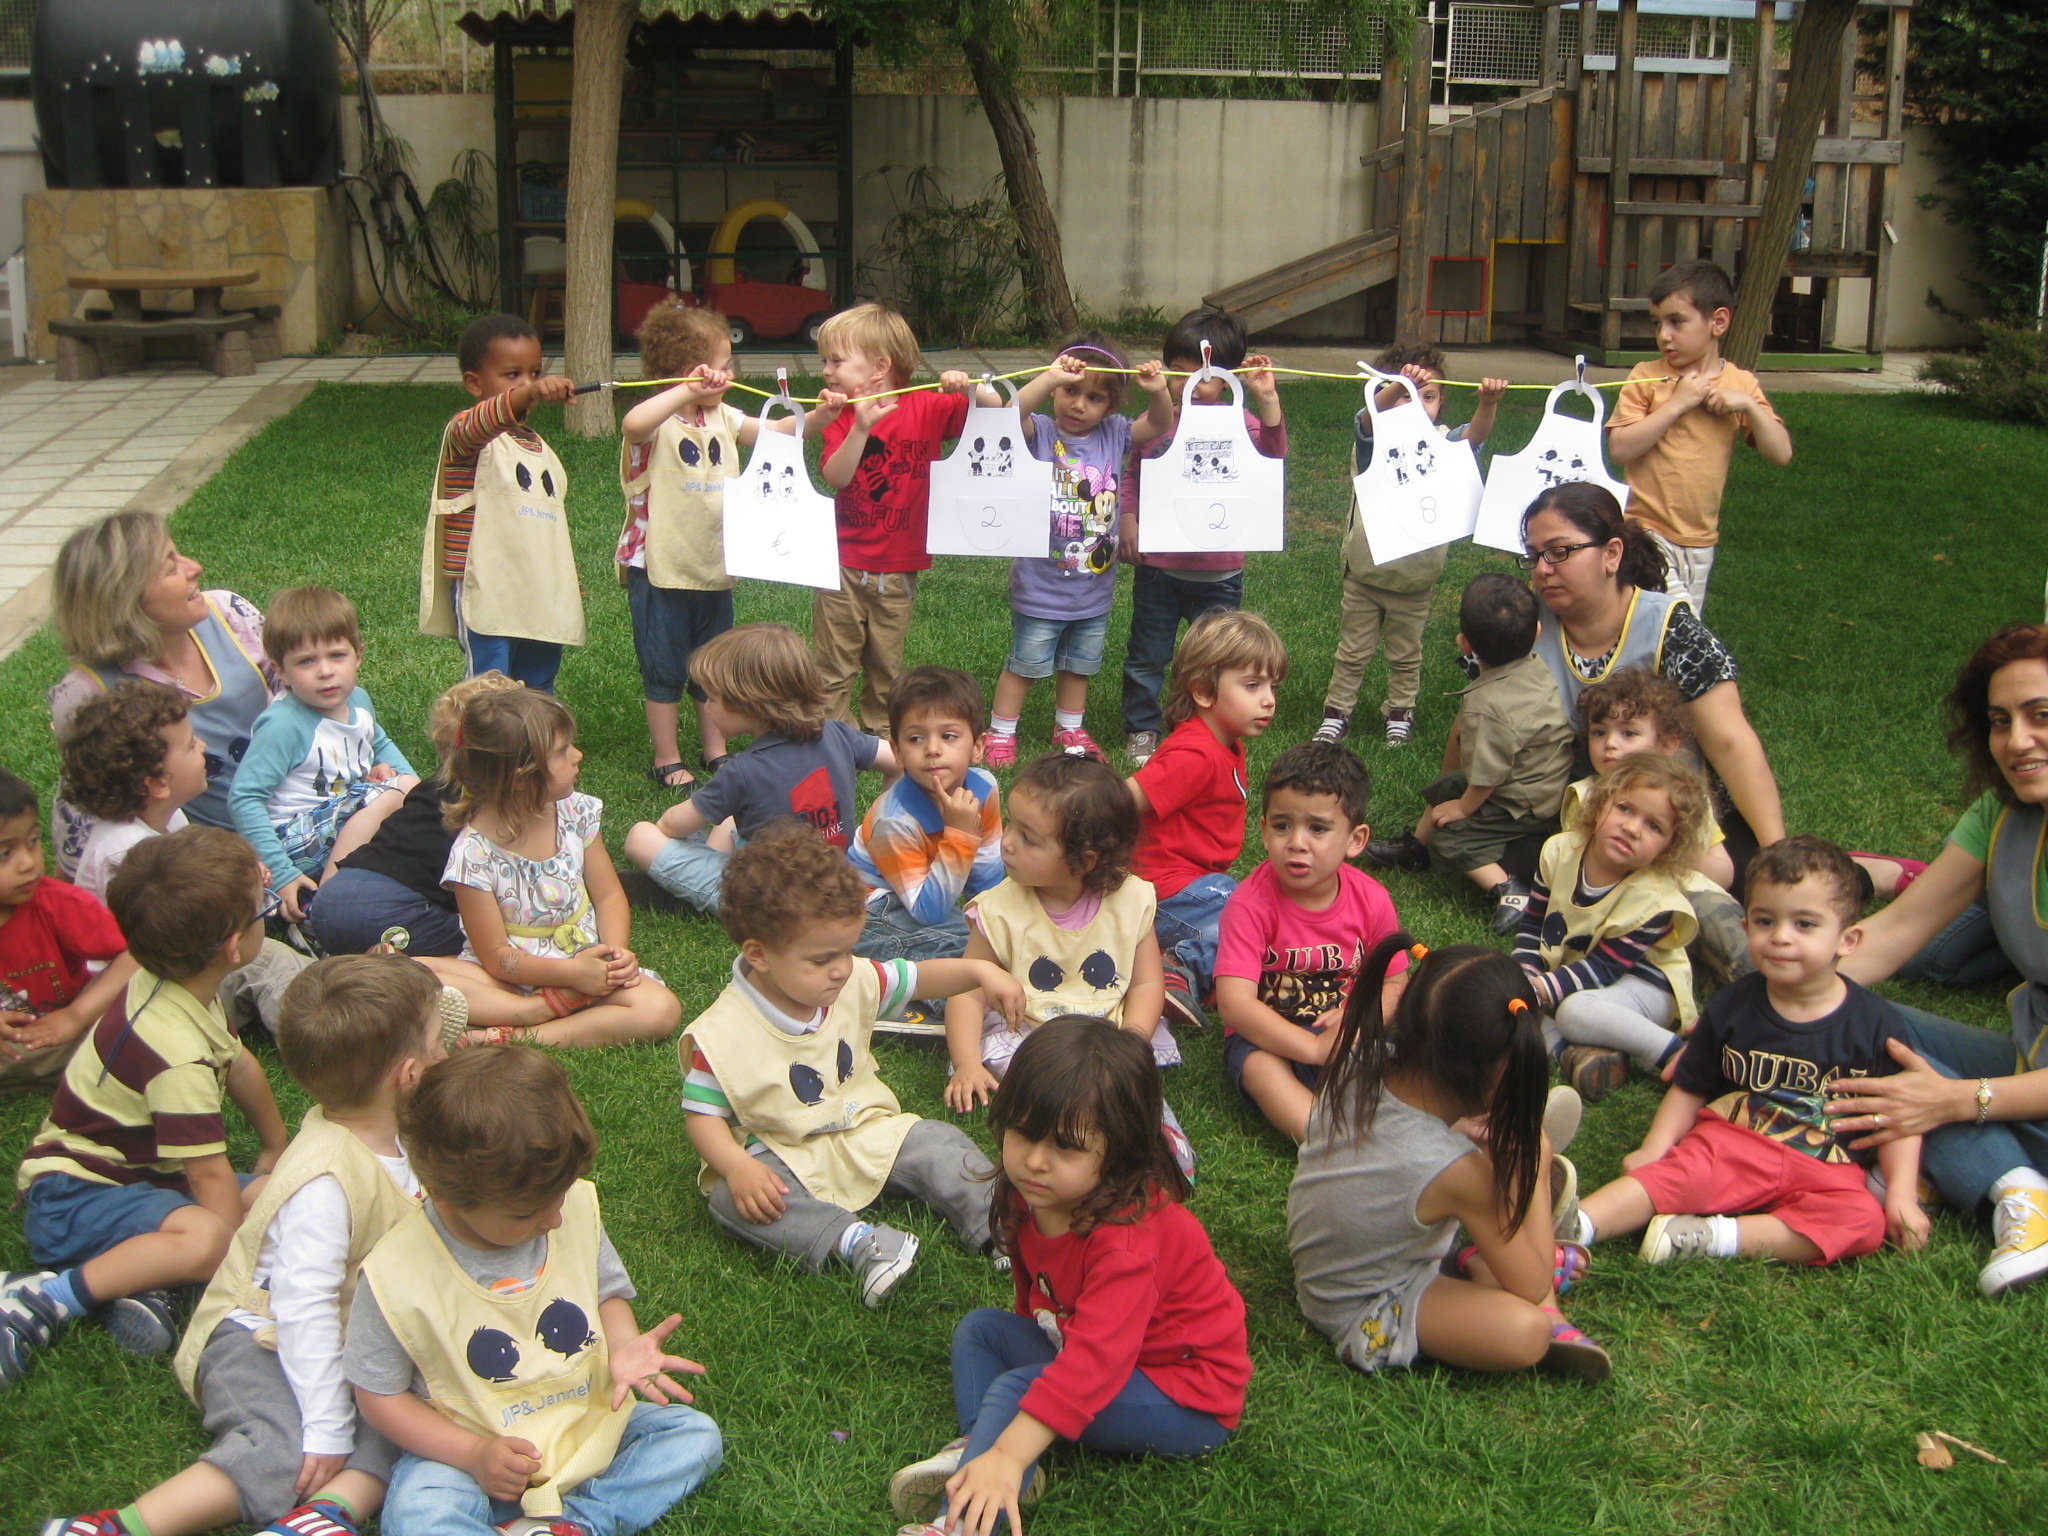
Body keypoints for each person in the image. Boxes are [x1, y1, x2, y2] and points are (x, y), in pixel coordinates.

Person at [39, 956, 450, 1536]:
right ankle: (120, 1527)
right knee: (286, 1447)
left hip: (339, 1333)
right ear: (407, 1074)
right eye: (438, 1043)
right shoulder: (327, 1182)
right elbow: (300, 1304)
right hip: (260, 1334)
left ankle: (325, 1516)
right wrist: (327, 1423)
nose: (447, 1053)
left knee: (414, 1419)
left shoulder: (397, 1128)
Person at [888, 1019, 1251, 1536]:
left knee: (1022, 1387)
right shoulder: (1031, 1193)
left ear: (1120, 1150)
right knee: (981, 1331)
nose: (1035, 1161)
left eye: (1067, 1147)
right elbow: (1034, 1294)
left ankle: (963, 1522)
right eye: (1024, 1133)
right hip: (1102, 1348)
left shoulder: (1128, 1242)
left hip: (1187, 1394)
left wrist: (1016, 1449)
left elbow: (1096, 1364)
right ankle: (979, 1455)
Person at [344, 1047, 723, 1534]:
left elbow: (606, 1292)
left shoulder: (565, 1212)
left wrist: (624, 1347)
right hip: (472, 1451)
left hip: (586, 1420)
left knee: (694, 1436)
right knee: (420, 1511)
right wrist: (473, 1454)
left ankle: (579, 1524)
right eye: (527, 1214)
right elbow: (379, 1396)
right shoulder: (395, 1271)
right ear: (444, 1194)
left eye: (562, 1195)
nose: (555, 1219)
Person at [679, 821, 1026, 1306]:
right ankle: (861, 1242)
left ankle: (1003, 1225)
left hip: (863, 1127)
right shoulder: (720, 1033)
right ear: (758, 954)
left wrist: (977, 970)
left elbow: (921, 978)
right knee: (730, 1201)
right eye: (822, 959)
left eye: (847, 950)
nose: (842, 967)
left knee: (937, 1142)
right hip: (783, 1152)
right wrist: (736, 1167)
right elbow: (703, 1117)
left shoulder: (851, 979)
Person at [3, 828, 288, 1385]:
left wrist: (277, 1148)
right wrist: (224, 1267)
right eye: (264, 910)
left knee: (277, 1193)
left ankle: (149, 1277)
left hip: (145, 1176)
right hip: (74, 1194)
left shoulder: (180, 987)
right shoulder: (174, 1058)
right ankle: (42, 1298)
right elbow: (207, 1177)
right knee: (211, 1236)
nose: (267, 913)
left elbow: (242, 1068)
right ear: (233, 948)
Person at [1568, 837, 1928, 1267]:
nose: (1780, 937)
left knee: (1862, 1221)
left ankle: (1711, 1237)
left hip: (1825, 1165)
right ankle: (1575, 1225)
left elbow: (1899, 1117)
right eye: (1764, 921)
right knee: (1670, 1176)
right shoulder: (1731, 1006)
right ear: (1745, 928)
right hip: (1732, 1145)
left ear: (1847, 940)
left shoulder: (1876, 1024)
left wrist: (1902, 1196)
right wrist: (1655, 1147)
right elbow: (1690, 1085)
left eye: (1805, 924)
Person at [1828, 623, 2048, 1296]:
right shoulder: (2004, 814)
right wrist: (1749, 1006)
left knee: (1913, 1093)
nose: (2017, 741)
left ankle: (2017, 1196)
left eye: (2041, 716)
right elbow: (1895, 933)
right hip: (2032, 1051)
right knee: (1850, 1019)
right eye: (1999, 721)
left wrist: (1956, 1100)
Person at [1288, 938, 1607, 1381]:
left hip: (1325, 1269)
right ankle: (1543, 1303)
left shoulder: (1358, 1061)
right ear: (1498, 1072)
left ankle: (1481, 1254)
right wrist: (1530, 1157)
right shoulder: (1456, 1170)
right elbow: (1530, 1284)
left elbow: (1401, 1146)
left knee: (1481, 1201)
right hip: (1364, 1307)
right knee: (1527, 1329)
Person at [1516, 481, 1786, 863]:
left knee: (1735, 879)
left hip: (1674, 818)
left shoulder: (1671, 631)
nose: (1543, 569)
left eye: (1560, 552)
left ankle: (1871, 872)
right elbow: (1484, 717)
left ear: (1611, 554)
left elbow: (1730, 744)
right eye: (1534, 555)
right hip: (1576, 811)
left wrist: (1776, 853)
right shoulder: (1525, 624)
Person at [617, 301, 826, 790]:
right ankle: (666, 757)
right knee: (664, 666)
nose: (732, 374)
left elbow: (778, 435)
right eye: (725, 364)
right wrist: (685, 390)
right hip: (660, 568)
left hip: (713, 564)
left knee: (711, 666)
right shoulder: (656, 423)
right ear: (694, 371)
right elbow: (633, 424)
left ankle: (716, 747)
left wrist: (819, 414)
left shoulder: (724, 416)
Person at [941, 756, 1183, 1135]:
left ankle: (1159, 1137)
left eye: (1028, 838)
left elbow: (1147, 984)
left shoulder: (1130, 902)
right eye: (1012, 825)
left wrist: (1132, 1040)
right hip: (1027, 1031)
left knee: (1126, 1090)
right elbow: (966, 990)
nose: (1007, 843)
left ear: (1082, 861)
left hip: (1105, 1027)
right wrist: (967, 1062)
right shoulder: (999, 910)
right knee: (1035, 1080)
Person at [435, 688, 681, 1049]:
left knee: (659, 1009)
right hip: (512, 981)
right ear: (521, 777)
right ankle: (537, 1008)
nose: (578, 756)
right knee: (425, 978)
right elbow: (497, 957)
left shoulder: (575, 813)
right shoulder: (473, 855)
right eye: (562, 752)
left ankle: (518, 1036)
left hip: (587, 966)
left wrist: (610, 959)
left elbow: (610, 894)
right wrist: (568, 976)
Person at [47, 510, 279, 878]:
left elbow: (304, 702)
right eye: (170, 568)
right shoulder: (88, 693)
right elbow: (88, 817)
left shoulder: (228, 614)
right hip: (211, 861)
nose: (195, 567)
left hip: (299, 800)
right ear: (124, 600)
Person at [984, 335, 1174, 767]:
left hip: (1093, 589)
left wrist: (1159, 390)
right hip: (1041, 585)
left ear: (1110, 405)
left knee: (1079, 665)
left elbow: (1160, 424)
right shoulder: (1042, 432)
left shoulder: (1116, 433)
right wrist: (1049, 375)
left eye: (1094, 397)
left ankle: (1069, 726)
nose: (1078, 405)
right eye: (1070, 390)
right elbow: (1012, 414)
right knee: (1025, 663)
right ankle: (1000, 731)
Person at [624, 622, 896, 914]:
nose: (706, 708)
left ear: (750, 705)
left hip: (770, 905)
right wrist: (885, 832)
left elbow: (673, 825)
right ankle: (699, 878)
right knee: (730, 821)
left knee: (641, 836)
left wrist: (665, 825)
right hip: (833, 877)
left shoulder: (742, 771)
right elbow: (898, 759)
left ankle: (696, 891)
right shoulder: (836, 734)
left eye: (712, 698)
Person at [810, 302, 993, 731]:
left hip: (900, 567)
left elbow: (994, 406)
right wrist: (858, 427)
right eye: (824, 361)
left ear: (879, 367)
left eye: (836, 360)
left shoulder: (927, 407)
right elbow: (836, 476)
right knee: (834, 665)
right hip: (842, 564)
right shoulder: (840, 416)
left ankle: (879, 732)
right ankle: (838, 733)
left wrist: (967, 388)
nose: (825, 371)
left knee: (886, 667)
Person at [1119, 309, 1289, 766]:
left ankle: (1202, 728)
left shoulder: (1243, 424)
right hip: (1159, 568)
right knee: (1146, 657)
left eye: (1199, 376)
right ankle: (1141, 729)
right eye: (1176, 373)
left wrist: (1267, 397)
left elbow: (1273, 453)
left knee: (1216, 660)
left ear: (1227, 376)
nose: (1184, 384)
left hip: (1220, 573)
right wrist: (1129, 519)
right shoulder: (1158, 421)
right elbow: (1134, 471)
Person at [1316, 343, 1507, 748]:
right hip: (1365, 574)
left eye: (1428, 395)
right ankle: (1337, 712)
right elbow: (1368, 417)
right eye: (1403, 394)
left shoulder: (1443, 443)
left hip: (1415, 580)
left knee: (1406, 655)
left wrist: (1487, 404)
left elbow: (1475, 437)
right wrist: (1394, 387)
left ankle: (1399, 712)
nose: (1416, 402)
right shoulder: (1372, 442)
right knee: (1352, 652)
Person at [1365, 573, 1575, 934]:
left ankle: (1510, 891)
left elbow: (1486, 778)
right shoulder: (1534, 665)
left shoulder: (1487, 708)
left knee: (1452, 834)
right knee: (1444, 791)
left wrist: (1463, 808)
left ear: (1464, 643)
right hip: (1539, 776)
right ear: (1538, 631)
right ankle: (1417, 849)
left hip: (1525, 801)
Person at [1215, 742, 1400, 1144]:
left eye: (1317, 828)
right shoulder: (1248, 906)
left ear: (1356, 839)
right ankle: (1328, 1140)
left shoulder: (1372, 900)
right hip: (1273, 1036)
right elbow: (1235, 1004)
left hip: (1348, 1032)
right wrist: (1310, 1049)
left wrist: (1356, 1018)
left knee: (1413, 1044)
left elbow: (1395, 983)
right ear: (1263, 830)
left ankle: (1438, 1125)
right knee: (1260, 1068)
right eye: (1282, 826)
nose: (1297, 842)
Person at [1515, 752, 1707, 1102]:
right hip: (1579, 973)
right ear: (1600, 804)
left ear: (1669, 846)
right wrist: (1523, 973)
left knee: (1574, 1010)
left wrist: (1540, 990)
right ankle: (1575, 1055)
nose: (1632, 828)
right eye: (1625, 809)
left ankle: (1676, 1054)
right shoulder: (1560, 852)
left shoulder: (1653, 900)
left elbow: (1604, 968)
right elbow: (1533, 924)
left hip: (1644, 984)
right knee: (1509, 997)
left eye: (1654, 826)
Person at [1128, 609, 1287, 1027]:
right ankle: (1172, 969)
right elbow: (1124, 800)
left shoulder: (1224, 743)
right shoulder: (1195, 753)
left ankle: (1222, 974)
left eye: (1272, 685)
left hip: (1197, 887)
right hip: (1164, 890)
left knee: (1267, 914)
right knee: (1242, 919)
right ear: (1203, 691)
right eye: (1252, 685)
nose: (1268, 698)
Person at [1606, 260, 1793, 614]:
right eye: (1657, 324)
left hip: (1701, 540)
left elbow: (1781, 453)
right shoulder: (1646, 377)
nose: (1664, 335)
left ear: (1718, 322)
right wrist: (1677, 405)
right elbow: (1620, 448)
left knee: (1671, 639)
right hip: (1645, 531)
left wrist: (1749, 407)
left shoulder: (1741, 384)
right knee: (1679, 623)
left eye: (1676, 321)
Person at [303, 672, 523, 961]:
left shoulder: (429, 789)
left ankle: (346, 954)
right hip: (391, 911)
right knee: (487, 944)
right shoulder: (494, 806)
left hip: (333, 897)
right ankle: (398, 972)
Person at [230, 588, 419, 924]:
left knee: (410, 795)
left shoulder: (358, 700)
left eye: (336, 656)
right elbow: (244, 798)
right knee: (391, 795)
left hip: (344, 827)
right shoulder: (284, 724)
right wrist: (282, 872)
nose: (325, 671)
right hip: (293, 842)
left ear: (358, 655)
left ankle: (369, 894)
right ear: (281, 671)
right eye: (306, 661)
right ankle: (326, 907)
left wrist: (415, 791)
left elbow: (380, 742)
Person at [418, 313, 582, 692]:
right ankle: (478, 751)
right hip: (487, 587)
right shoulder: (466, 434)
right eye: (513, 375)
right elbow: (485, 420)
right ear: (474, 383)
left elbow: (549, 523)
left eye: (535, 373)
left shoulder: (539, 447)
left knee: (540, 678)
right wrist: (532, 392)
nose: (528, 384)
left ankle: (536, 749)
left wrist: (564, 577)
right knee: (489, 686)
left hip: (538, 588)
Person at [849, 665, 1004, 970]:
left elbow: (987, 878)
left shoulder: (984, 788)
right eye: (916, 739)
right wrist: (959, 836)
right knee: (954, 961)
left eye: (948, 736)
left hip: (926, 896)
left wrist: (996, 922)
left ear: (977, 746)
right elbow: (926, 911)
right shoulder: (893, 821)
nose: (932, 749)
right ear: (896, 750)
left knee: (997, 944)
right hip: (872, 913)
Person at [0, 768, 134, 1090]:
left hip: (73, 1026)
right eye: (5, 853)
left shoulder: (55, 903)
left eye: (32, 842)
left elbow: (137, 952)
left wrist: (76, 1017)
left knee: (137, 1006)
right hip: (17, 1042)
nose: (28, 862)